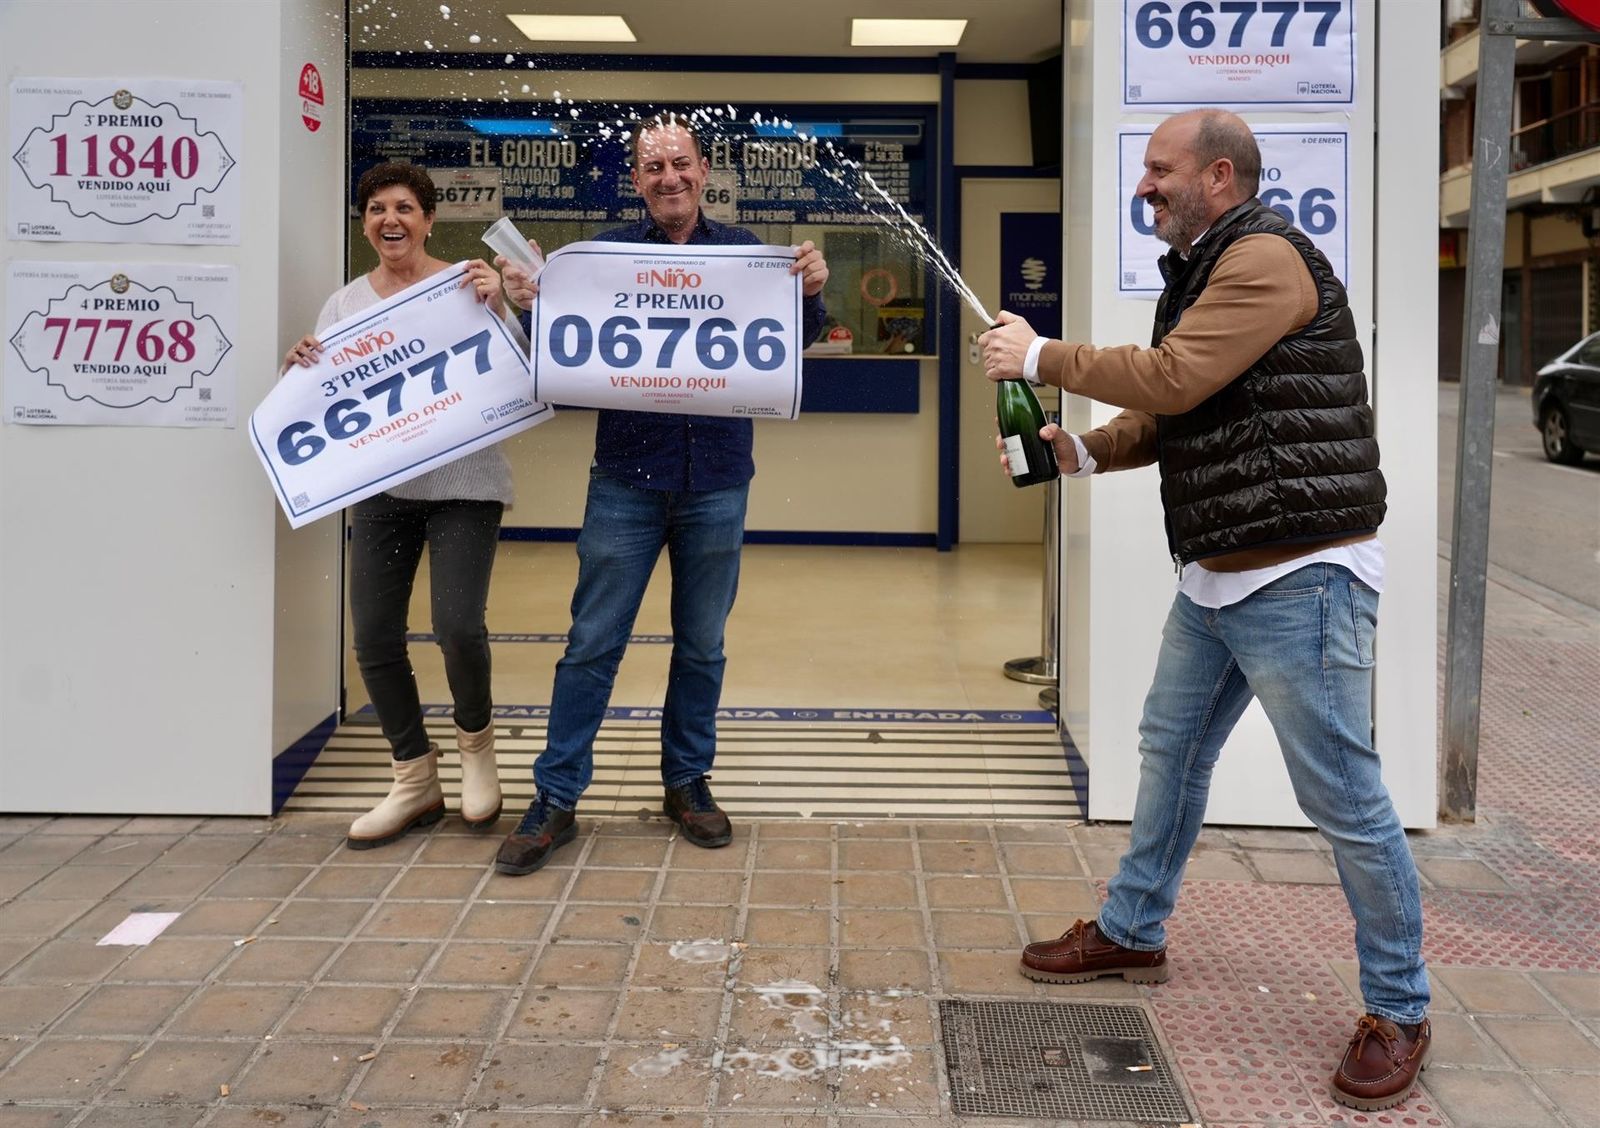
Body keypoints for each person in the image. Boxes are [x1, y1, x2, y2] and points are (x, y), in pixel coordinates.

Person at [979, 108, 1429, 1113]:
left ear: (1218, 176)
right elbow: (1186, 405)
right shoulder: (1204, 267)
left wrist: (1042, 355)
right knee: (1169, 750)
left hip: (1301, 574)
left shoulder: (1265, 259)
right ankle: (1133, 933)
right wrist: (1084, 449)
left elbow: (1176, 375)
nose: (1144, 186)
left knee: (1344, 799)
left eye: (1158, 170)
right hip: (1219, 573)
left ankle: (1399, 1009)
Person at [492, 112, 829, 874]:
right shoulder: (601, 257)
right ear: (637, 180)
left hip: (716, 480)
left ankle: (688, 782)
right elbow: (558, 346)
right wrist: (528, 299)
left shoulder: (746, 255)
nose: (669, 177)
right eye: (654, 167)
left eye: (681, 163)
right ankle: (555, 797)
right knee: (591, 645)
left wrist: (809, 291)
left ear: (704, 171)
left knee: (702, 645)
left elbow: (795, 342)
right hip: (625, 479)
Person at [281, 160, 512, 850]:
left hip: (465, 485)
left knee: (457, 626)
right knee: (376, 637)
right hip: (381, 491)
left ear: (429, 219)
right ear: (365, 223)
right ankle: (414, 775)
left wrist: (505, 304)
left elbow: (520, 364)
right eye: (377, 208)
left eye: (405, 208)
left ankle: (477, 751)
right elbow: (322, 395)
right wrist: (296, 368)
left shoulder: (467, 285)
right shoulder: (345, 305)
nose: (391, 220)